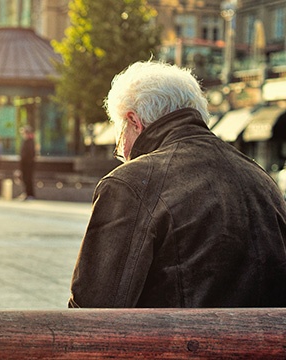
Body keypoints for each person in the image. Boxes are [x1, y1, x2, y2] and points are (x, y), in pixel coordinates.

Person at [69, 61, 286, 308]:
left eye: (119, 139)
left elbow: (93, 309)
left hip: (175, 345)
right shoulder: (261, 179)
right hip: (266, 345)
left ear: (134, 122)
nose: (122, 152)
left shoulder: (130, 184)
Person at [19, 125, 36, 200]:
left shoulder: (30, 142)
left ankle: (30, 194)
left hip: (28, 164)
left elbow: (30, 154)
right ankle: (27, 193)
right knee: (25, 178)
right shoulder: (26, 141)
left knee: (28, 178)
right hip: (25, 163)